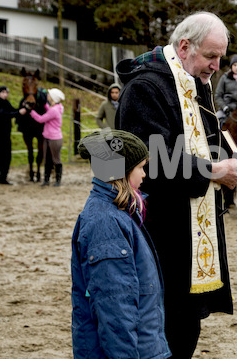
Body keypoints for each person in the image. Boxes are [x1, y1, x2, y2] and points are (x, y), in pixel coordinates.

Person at [115, 12, 237, 358]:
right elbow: (152, 159)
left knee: (186, 327)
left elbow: (205, 139)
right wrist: (215, 172)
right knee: (164, 329)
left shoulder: (196, 82)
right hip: (159, 230)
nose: (217, 66)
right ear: (185, 46)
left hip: (191, 228)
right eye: (211, 56)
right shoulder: (146, 88)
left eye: (220, 57)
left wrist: (229, 159)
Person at [72, 130, 171, 358]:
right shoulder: (106, 223)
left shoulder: (119, 213)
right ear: (122, 171)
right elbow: (115, 308)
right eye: (141, 167)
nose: (144, 175)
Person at [0, 86, 27, 185]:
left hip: (6, 133)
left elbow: (13, 111)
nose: (5, 94)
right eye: (3, 92)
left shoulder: (6, 102)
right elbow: (4, 115)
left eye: (6, 92)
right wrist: (18, 112)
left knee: (6, 156)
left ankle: (3, 178)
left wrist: (21, 108)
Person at [30, 88, 65, 187]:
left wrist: (31, 111)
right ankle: (47, 180)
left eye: (49, 95)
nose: (47, 96)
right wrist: (44, 104)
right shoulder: (56, 107)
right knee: (47, 159)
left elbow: (41, 119)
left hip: (54, 138)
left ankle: (57, 180)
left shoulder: (54, 110)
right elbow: (48, 109)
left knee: (56, 159)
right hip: (48, 137)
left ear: (53, 98)